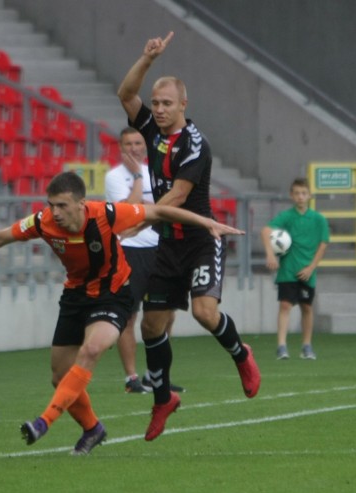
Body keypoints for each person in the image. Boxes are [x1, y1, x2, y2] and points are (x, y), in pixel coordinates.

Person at [0, 171, 241, 455]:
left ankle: (44, 422)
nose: (54, 212)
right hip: (76, 295)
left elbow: (160, 211)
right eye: (50, 204)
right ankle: (93, 429)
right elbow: (0, 237)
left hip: (115, 294)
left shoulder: (107, 214)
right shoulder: (42, 222)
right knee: (59, 375)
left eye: (61, 206)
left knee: (93, 348)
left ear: (81, 204)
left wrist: (207, 222)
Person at [117, 31, 261, 441]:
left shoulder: (195, 145)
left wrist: (138, 220)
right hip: (169, 245)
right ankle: (163, 399)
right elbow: (126, 93)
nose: (158, 109)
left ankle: (241, 355)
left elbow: (178, 196)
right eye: (156, 103)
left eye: (166, 104)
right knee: (151, 327)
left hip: (201, 239)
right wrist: (146, 60)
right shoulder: (151, 130)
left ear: (184, 105)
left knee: (203, 313)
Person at [103, 127, 183, 394]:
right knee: (128, 316)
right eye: (129, 144)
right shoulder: (114, 177)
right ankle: (131, 377)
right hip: (129, 250)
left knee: (166, 314)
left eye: (139, 142)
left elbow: (166, 210)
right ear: (120, 147)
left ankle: (156, 374)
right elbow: (128, 212)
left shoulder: (158, 174)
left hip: (159, 249)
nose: (135, 148)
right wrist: (138, 177)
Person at [261, 178, 330, 360]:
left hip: (308, 271)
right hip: (287, 270)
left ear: (310, 196)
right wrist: (270, 254)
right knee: (285, 305)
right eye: (297, 193)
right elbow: (266, 231)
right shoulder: (287, 216)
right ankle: (281, 346)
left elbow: (323, 245)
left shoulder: (319, 219)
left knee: (306, 307)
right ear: (292, 195)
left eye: (303, 193)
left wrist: (311, 267)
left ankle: (307, 346)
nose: (300, 197)